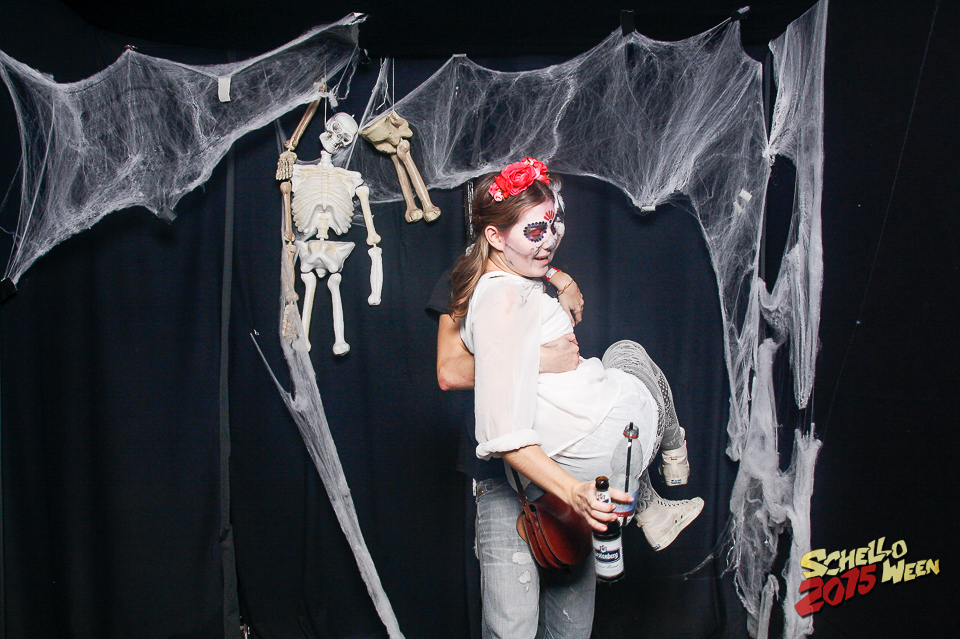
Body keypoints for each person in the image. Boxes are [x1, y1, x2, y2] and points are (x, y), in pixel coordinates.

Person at [444, 157, 703, 639]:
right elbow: (490, 420)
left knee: (571, 628)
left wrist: (557, 280)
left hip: (578, 458)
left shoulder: (514, 278)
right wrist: (574, 492)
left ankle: (652, 496)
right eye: (534, 230)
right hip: (563, 474)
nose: (549, 239)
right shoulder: (498, 297)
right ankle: (668, 467)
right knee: (628, 353)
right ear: (494, 235)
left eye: (553, 224)